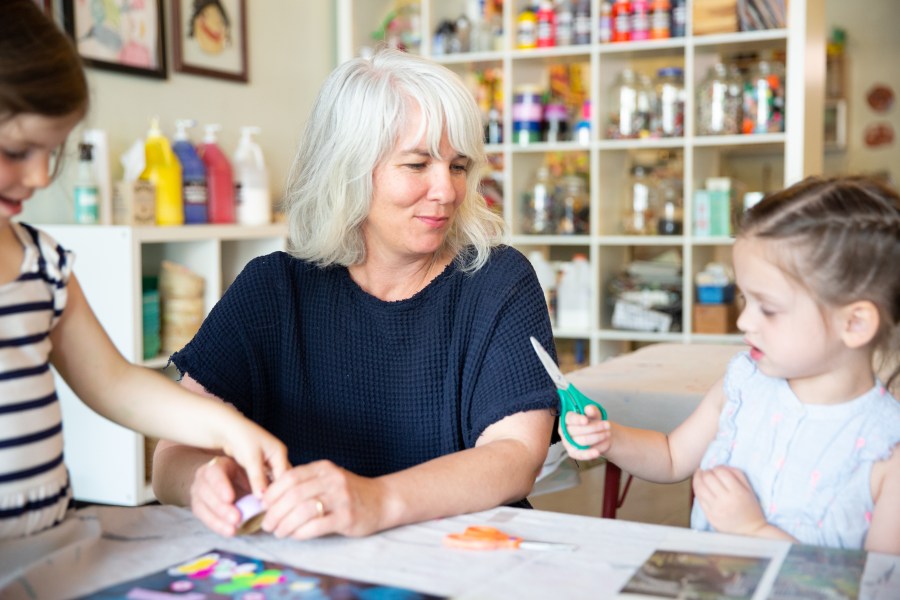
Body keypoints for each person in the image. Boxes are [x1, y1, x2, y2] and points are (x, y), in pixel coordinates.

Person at [152, 47, 559, 540]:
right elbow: (171, 455)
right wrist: (204, 482)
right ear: (346, 170)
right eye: (416, 164)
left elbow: (515, 456)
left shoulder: (498, 280)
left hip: (467, 562)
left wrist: (376, 499)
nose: (447, 191)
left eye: (457, 166)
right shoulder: (272, 290)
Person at [0, 0, 289, 540]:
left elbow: (115, 383)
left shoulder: (44, 265)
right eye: (17, 151)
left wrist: (228, 428)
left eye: (53, 152)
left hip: (42, 542)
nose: (40, 176)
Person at [562, 176, 900, 554]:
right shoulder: (743, 384)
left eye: (767, 308)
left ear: (854, 324)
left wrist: (753, 530)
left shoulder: (887, 448)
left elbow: (878, 584)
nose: (743, 322)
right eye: (744, 299)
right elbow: (672, 456)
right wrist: (611, 438)